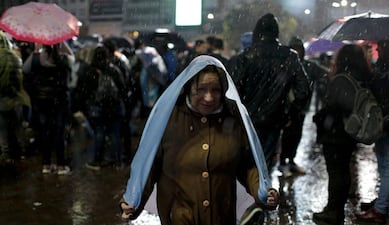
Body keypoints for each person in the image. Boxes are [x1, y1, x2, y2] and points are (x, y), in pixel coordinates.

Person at [119, 55, 279, 225]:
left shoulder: (233, 121)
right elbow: (149, 167)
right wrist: (132, 202)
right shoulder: (168, 120)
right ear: (188, 88)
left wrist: (262, 192)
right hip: (180, 219)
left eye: (215, 90)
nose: (209, 98)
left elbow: (247, 166)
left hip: (222, 218)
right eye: (201, 89)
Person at [229, 13, 310, 171]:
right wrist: (290, 113)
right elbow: (304, 90)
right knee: (264, 164)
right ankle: (261, 191)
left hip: (247, 120)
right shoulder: (289, 56)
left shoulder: (244, 57)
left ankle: (249, 191)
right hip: (274, 119)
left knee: (246, 165)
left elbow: (233, 90)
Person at [312, 44, 374, 225]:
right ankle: (335, 208)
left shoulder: (341, 79)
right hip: (349, 133)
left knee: (336, 173)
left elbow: (335, 106)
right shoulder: (363, 77)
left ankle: (333, 211)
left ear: (342, 59)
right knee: (344, 171)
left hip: (335, 133)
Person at [356, 39, 389, 224]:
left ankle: (380, 209)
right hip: (387, 121)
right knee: (383, 163)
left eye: (381, 47)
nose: (378, 50)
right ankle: (381, 200)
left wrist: (386, 123)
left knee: (386, 164)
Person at [278, 36, 328, 177]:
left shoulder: (309, 66)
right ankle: (283, 163)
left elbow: (324, 74)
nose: (296, 52)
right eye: (294, 49)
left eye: (299, 49)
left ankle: (291, 160)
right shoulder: (285, 66)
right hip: (287, 109)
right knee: (286, 136)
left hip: (301, 109)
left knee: (297, 135)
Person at [23, 42, 74, 175]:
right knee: (59, 132)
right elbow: (72, 57)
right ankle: (61, 165)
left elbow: (25, 69)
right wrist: (62, 43)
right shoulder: (63, 59)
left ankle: (46, 164)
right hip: (59, 101)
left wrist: (35, 51)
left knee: (45, 131)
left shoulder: (35, 58)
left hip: (42, 101)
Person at [72, 45, 127, 170]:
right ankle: (116, 160)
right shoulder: (114, 70)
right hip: (115, 107)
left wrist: (86, 105)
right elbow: (123, 88)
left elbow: (84, 91)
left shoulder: (90, 70)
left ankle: (98, 160)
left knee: (99, 133)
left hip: (98, 108)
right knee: (115, 134)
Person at [0, 48, 31, 164]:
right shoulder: (15, 56)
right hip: (17, 97)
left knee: (2, 129)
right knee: (18, 126)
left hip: (2, 99)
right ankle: (22, 151)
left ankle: (6, 154)